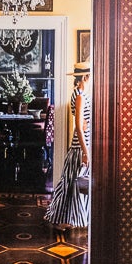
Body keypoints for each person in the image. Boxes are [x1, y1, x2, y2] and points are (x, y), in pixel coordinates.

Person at [45, 63, 91, 230]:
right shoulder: (79, 96)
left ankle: (69, 219)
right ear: (85, 77)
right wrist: (86, 152)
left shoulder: (79, 94)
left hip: (82, 144)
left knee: (72, 182)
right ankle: (63, 220)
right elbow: (78, 126)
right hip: (80, 146)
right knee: (72, 182)